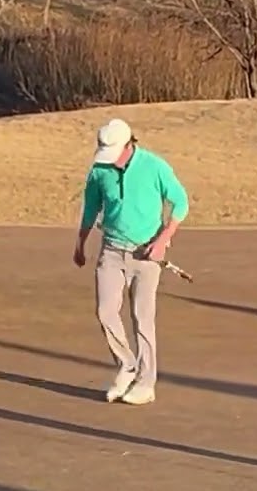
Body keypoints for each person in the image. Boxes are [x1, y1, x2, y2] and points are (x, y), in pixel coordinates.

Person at [72, 118, 189, 405]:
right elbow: (90, 209)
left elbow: (181, 202)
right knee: (105, 312)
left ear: (129, 145)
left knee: (142, 319)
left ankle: (146, 384)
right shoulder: (99, 172)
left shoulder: (154, 166)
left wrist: (162, 241)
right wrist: (80, 243)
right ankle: (127, 365)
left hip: (146, 254)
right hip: (111, 251)